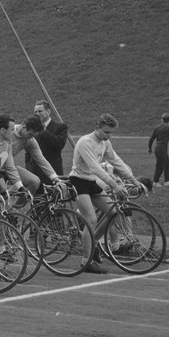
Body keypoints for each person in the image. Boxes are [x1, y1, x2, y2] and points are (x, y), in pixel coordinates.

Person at [68, 113, 144, 275]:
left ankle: (92, 243)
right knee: (91, 219)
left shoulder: (105, 142)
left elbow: (116, 161)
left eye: (111, 133)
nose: (108, 136)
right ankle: (85, 261)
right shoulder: (85, 142)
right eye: (106, 132)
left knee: (114, 213)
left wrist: (134, 180)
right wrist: (114, 185)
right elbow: (95, 167)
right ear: (97, 128)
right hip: (78, 181)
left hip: (91, 182)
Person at [10, 115, 65, 195]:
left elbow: (41, 159)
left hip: (9, 167)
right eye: (30, 134)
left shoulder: (30, 140)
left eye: (34, 136)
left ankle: (19, 207)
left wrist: (55, 178)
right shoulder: (7, 133)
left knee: (35, 181)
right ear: (24, 127)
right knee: (2, 192)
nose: (31, 138)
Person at [26, 99, 68, 189]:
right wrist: (28, 168)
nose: (37, 114)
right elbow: (27, 150)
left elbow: (59, 144)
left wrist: (43, 131)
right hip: (34, 173)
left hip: (52, 172)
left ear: (48, 111)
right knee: (36, 201)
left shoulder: (60, 127)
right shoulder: (31, 129)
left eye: (40, 111)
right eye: (35, 112)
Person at [147, 113, 169, 187]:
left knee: (168, 165)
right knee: (160, 166)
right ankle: (155, 182)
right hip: (162, 148)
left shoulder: (157, 127)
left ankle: (167, 181)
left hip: (158, 147)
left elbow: (151, 139)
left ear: (161, 119)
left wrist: (149, 148)